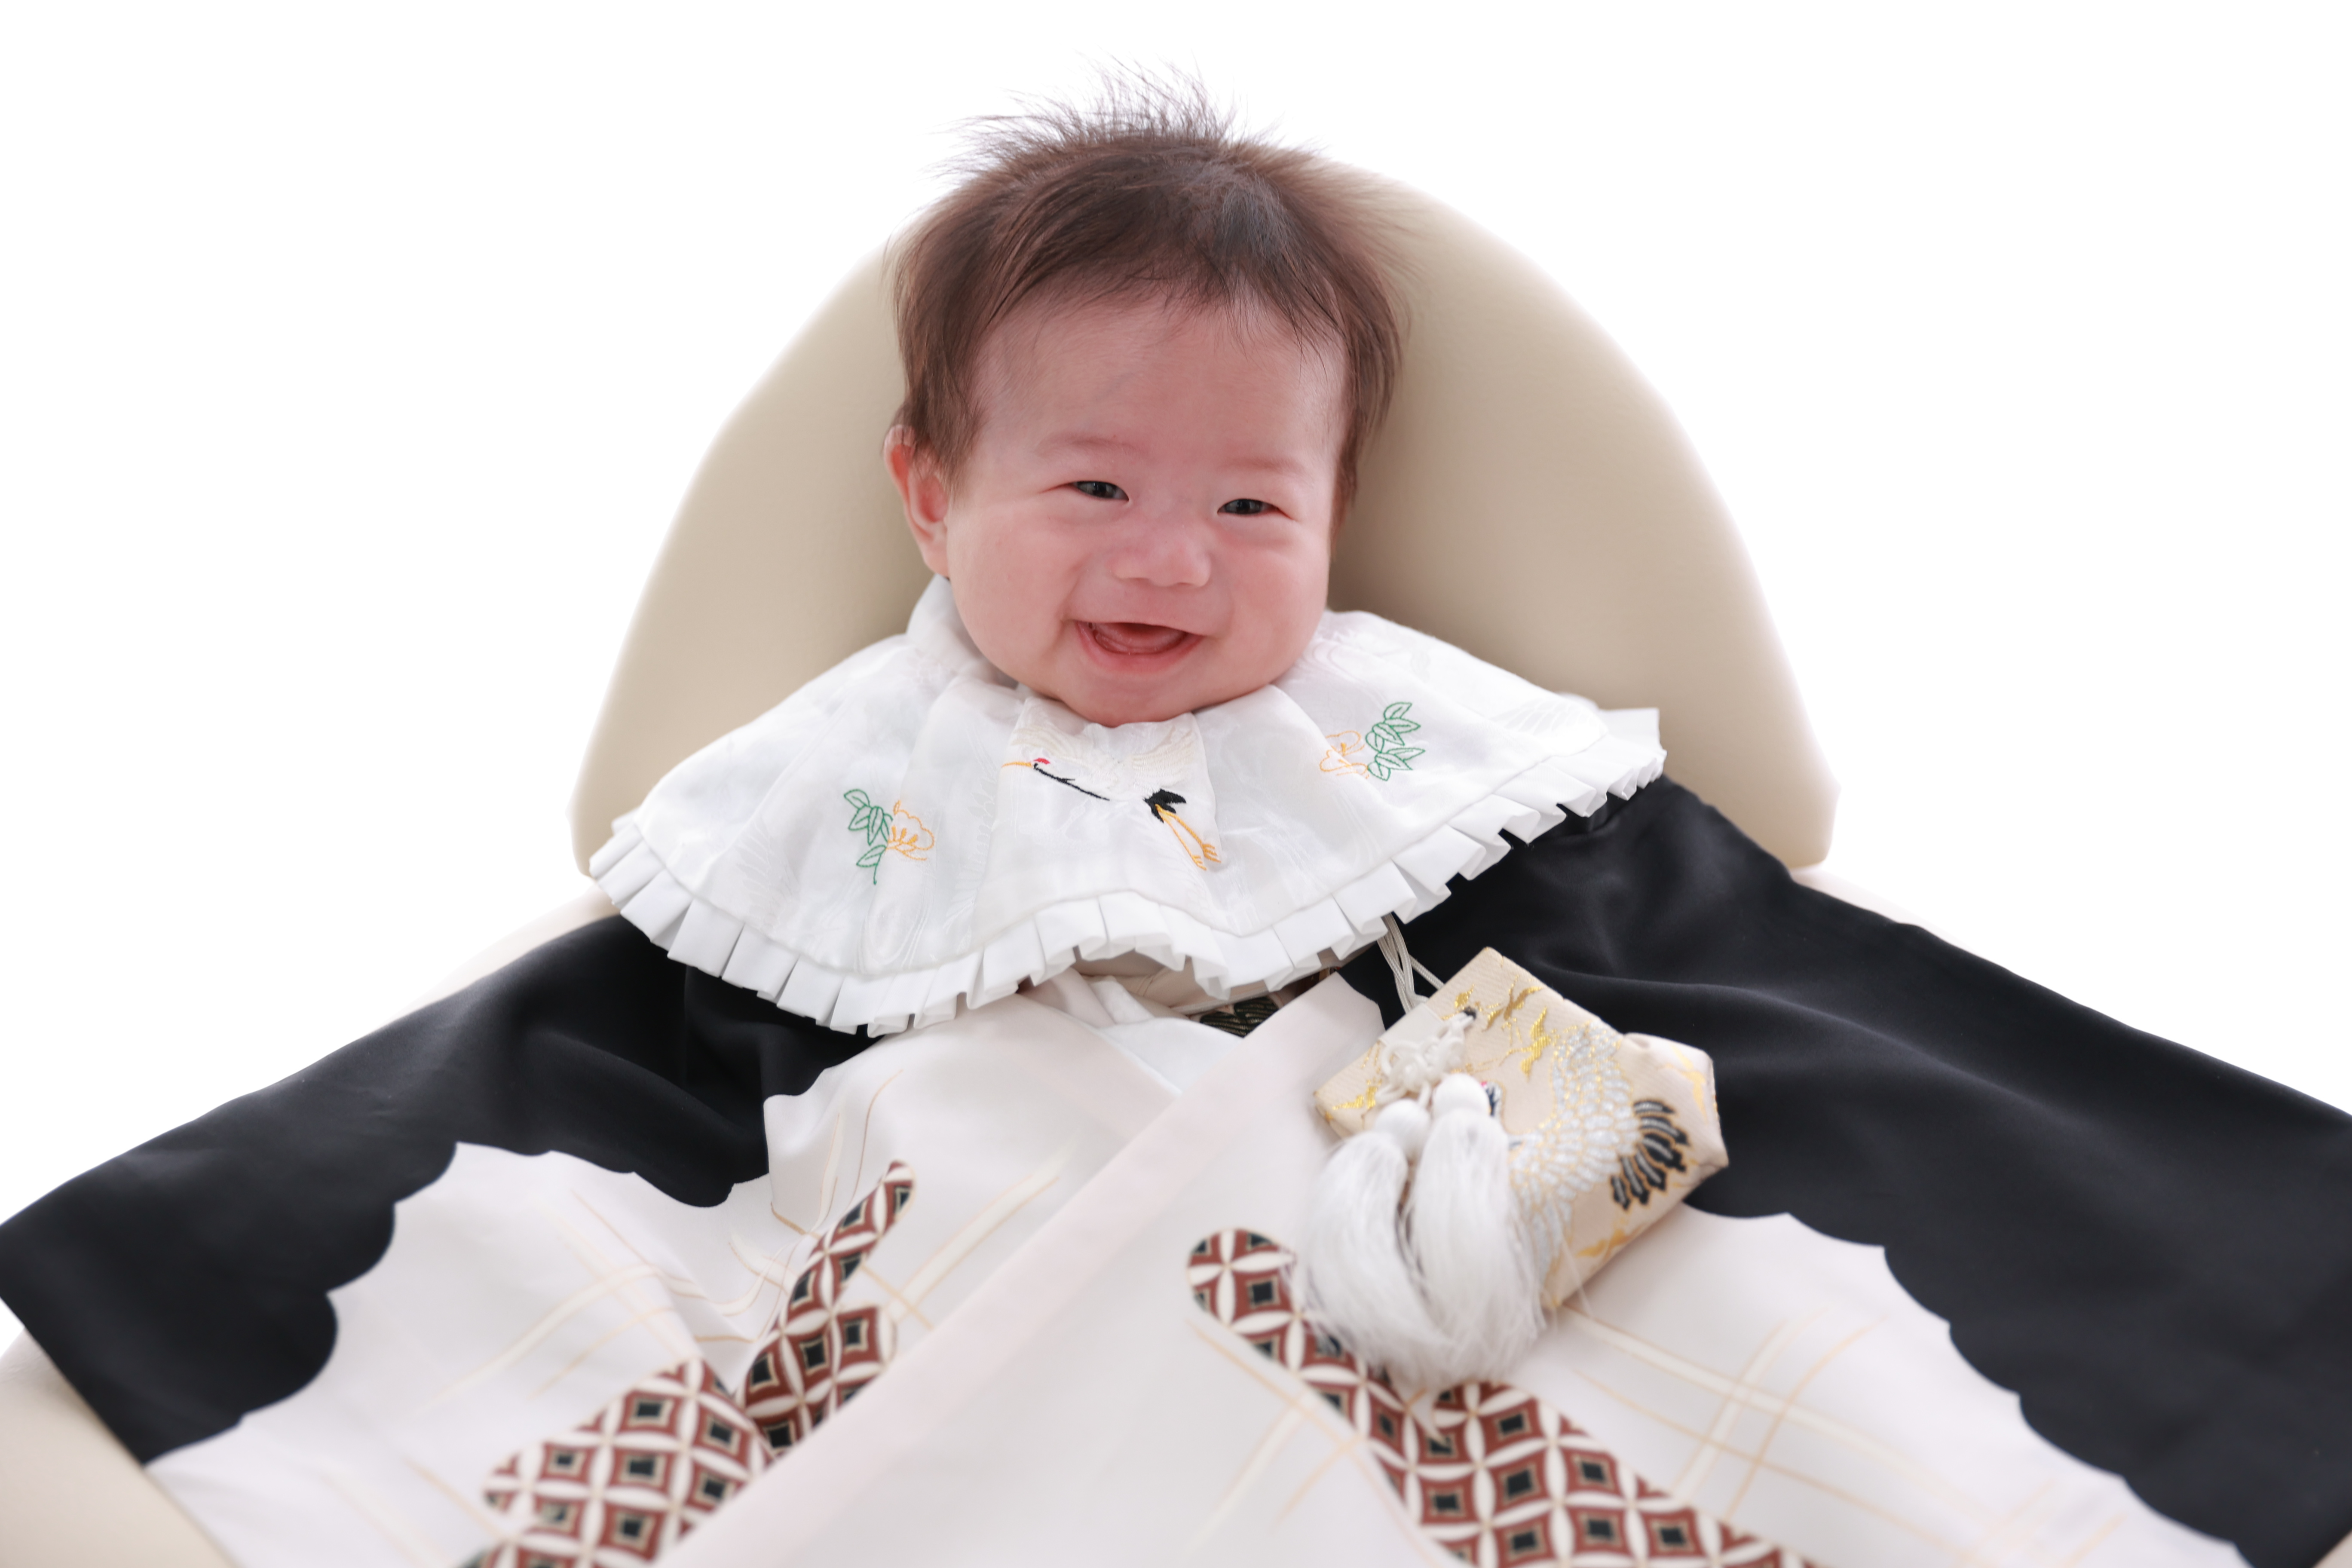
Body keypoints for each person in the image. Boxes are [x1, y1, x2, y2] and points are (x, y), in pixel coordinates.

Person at [2, 83, 2347, 1568]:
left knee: (1774, 1332)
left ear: (1337, 512)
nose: (1173, 563)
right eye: (1095, 488)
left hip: (1360, 1162)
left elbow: (1656, 925)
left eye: (1252, 504)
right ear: (931, 494)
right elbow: (648, 1029)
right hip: (985, 1140)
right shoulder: (856, 759)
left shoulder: (1397, 734)